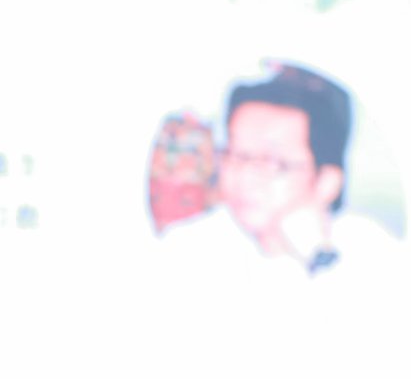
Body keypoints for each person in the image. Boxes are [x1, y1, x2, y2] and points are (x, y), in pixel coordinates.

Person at [161, 63, 392, 278]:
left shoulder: (368, 250)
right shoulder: (187, 249)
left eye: (271, 162)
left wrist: (318, 256)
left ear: (327, 182)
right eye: (237, 155)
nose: (244, 176)